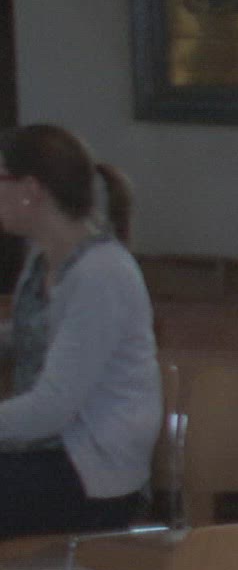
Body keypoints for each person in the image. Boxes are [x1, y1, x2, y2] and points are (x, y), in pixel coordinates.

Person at [0, 125, 161, 537]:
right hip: (47, 456)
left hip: (94, 475)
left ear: (30, 189)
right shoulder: (44, 259)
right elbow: (33, 334)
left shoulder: (101, 273)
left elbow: (52, 408)